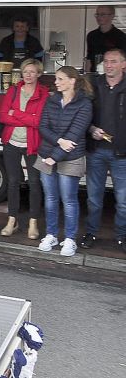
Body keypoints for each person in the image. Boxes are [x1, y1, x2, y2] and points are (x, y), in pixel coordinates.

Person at [37, 66, 93, 257]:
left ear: (72, 81)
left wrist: (55, 157)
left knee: (69, 200)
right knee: (50, 198)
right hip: (47, 154)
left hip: (70, 157)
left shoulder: (84, 104)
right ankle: (51, 234)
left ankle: (70, 239)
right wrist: (59, 142)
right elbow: (42, 127)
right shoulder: (51, 100)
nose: (56, 82)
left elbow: (75, 135)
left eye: (60, 79)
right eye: (56, 79)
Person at [0, 59, 49, 239]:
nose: (27, 75)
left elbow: (39, 122)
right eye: (25, 71)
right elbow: (3, 116)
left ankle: (33, 222)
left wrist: (17, 113)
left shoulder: (44, 94)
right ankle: (12, 220)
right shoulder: (13, 91)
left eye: (32, 72)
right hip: (11, 142)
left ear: (39, 74)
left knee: (34, 183)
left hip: (32, 144)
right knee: (12, 182)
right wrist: (28, 117)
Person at [81, 48, 126, 253]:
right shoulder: (95, 84)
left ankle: (121, 236)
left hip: (122, 153)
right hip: (97, 149)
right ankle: (91, 233)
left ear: (123, 65)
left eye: (114, 61)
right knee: (93, 198)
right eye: (106, 61)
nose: (109, 65)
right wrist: (91, 130)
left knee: (123, 200)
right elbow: (83, 114)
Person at [85, 5, 126, 72]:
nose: (99, 17)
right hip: (95, 74)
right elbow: (89, 58)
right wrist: (87, 75)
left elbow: (124, 60)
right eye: (97, 14)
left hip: (113, 73)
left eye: (103, 14)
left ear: (112, 16)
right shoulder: (92, 35)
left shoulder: (120, 36)